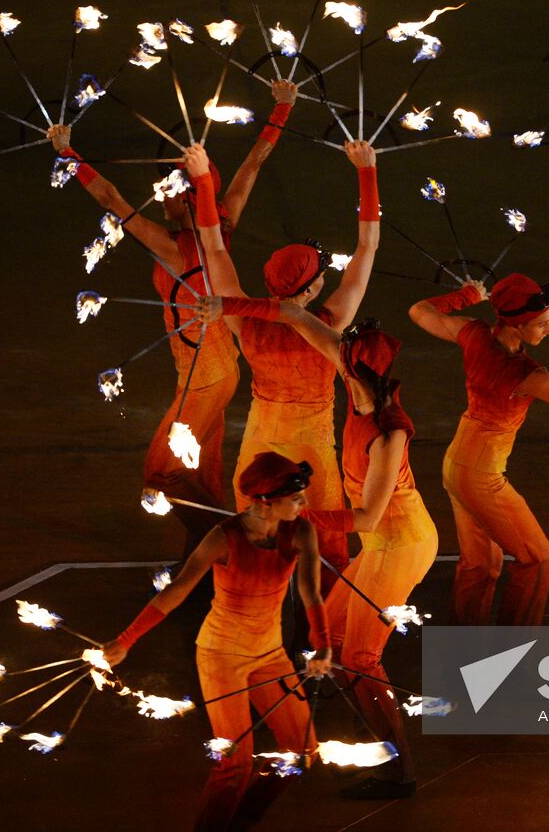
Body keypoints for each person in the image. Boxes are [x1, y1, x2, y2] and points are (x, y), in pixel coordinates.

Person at [201, 295, 437, 799]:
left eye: (345, 357)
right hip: (382, 541)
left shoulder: (388, 435)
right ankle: (353, 721)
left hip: (400, 541)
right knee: (328, 632)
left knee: (360, 656)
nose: (337, 360)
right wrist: (222, 305)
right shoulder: (355, 378)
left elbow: (368, 516)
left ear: (361, 372)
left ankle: (400, 769)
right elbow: (292, 314)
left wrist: (291, 511)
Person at [48, 80, 297, 555]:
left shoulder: (174, 248)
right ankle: (203, 570)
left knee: (162, 476)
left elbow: (109, 198)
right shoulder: (223, 225)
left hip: (203, 378)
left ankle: (242, 549)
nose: (160, 199)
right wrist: (282, 107)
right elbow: (254, 162)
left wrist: (68, 152)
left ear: (187, 198)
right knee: (203, 476)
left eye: (167, 192)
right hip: (220, 371)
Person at [103, 453, 361, 831]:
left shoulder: (301, 532)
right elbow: (174, 593)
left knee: (302, 751)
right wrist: (125, 641)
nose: (305, 503)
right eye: (296, 498)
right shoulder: (223, 539)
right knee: (235, 763)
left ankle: (238, 823)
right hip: (220, 656)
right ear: (264, 501)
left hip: (269, 655)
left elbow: (310, 594)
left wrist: (322, 645)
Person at [195, 138, 380, 593]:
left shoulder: (246, 322)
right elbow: (367, 247)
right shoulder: (329, 323)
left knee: (254, 531)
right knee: (325, 540)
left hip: (260, 436)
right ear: (312, 289)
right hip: (311, 447)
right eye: (321, 273)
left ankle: (249, 602)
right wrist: (366, 170)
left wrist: (202, 178)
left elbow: (214, 249)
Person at [410, 274, 549, 626]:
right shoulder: (525, 373)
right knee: (538, 560)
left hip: (456, 465)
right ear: (517, 324)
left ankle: (462, 650)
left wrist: (468, 294)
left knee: (480, 564)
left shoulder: (474, 333)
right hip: (481, 476)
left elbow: (420, 311)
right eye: (542, 324)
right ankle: (515, 647)